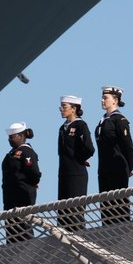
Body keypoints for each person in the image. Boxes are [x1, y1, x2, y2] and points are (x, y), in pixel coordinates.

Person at [95, 86, 133, 222]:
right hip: (104, 168)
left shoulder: (119, 120)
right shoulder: (103, 121)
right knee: (105, 206)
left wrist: (130, 166)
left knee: (119, 205)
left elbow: (128, 146)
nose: (102, 100)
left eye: (105, 98)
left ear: (115, 100)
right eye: (102, 97)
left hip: (117, 167)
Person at [56, 95, 94, 230]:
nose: (61, 109)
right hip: (64, 173)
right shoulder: (62, 128)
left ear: (74, 109)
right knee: (62, 212)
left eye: (64, 107)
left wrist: (79, 159)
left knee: (75, 212)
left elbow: (89, 148)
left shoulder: (80, 125)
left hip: (76, 174)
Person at [1, 122, 41, 241]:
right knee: (11, 227)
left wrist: (33, 182)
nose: (9, 139)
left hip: (23, 195)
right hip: (10, 197)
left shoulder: (26, 152)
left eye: (12, 136)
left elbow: (34, 172)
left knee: (23, 226)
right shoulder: (11, 154)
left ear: (21, 136)